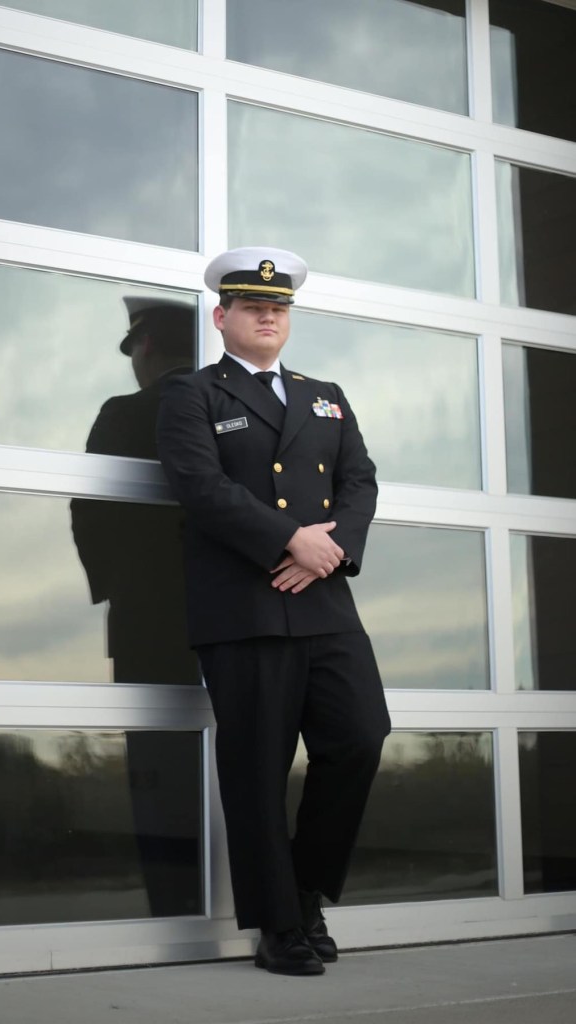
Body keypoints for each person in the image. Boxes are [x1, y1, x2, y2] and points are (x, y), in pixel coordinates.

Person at [156, 247, 391, 976]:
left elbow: (360, 482)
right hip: (244, 608)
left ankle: (306, 890)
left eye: (278, 308)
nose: (268, 316)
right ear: (220, 317)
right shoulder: (192, 393)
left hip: (324, 599)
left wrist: (330, 549)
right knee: (257, 768)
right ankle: (279, 925)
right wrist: (290, 538)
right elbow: (199, 485)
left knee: (360, 737)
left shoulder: (326, 395)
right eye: (253, 307)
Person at [71, 296, 201, 918]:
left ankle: (176, 913)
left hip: (150, 630)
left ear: (144, 346)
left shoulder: (125, 414)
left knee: (160, 782)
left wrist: (120, 589)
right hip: (244, 623)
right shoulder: (238, 409)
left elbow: (90, 513)